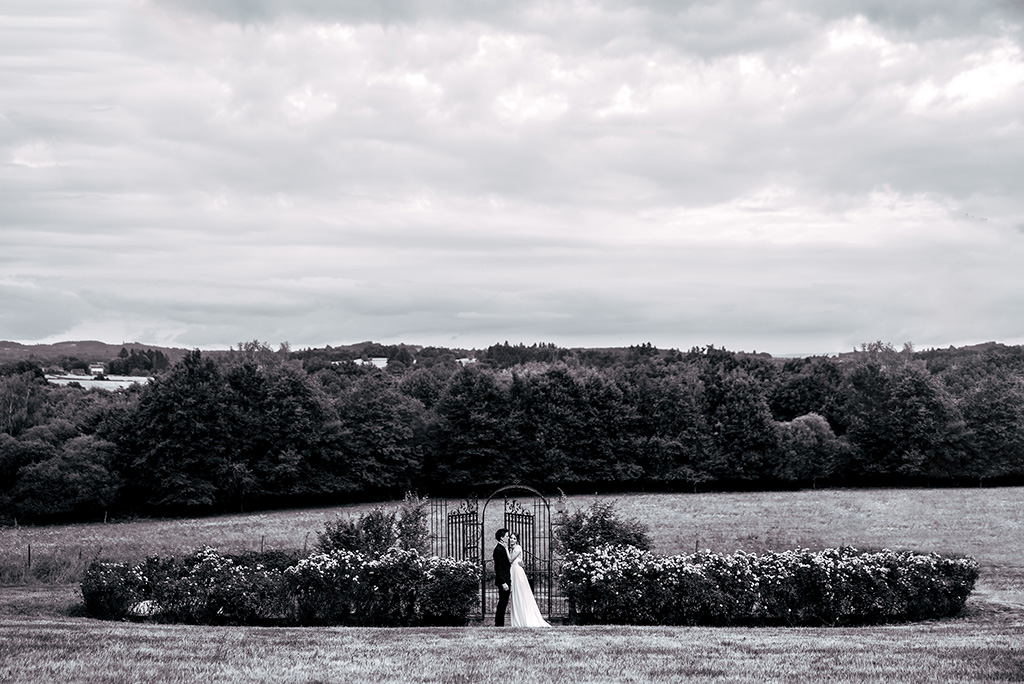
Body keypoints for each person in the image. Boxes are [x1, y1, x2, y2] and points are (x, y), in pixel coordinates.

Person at [507, 533, 550, 627]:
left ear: (517, 540)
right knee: (515, 594)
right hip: (513, 572)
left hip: (518, 573)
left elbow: (510, 560)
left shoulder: (517, 548)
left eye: (514, 538)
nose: (512, 540)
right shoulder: (512, 549)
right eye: (511, 538)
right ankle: (518, 619)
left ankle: (525, 618)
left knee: (520, 593)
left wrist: (505, 548)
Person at [493, 528, 512, 626]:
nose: (508, 538)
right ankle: (499, 624)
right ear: (501, 538)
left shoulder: (502, 548)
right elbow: (498, 568)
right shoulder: (498, 550)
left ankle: (499, 623)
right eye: (507, 536)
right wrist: (503, 582)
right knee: (502, 603)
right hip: (503, 580)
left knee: (503, 602)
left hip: (506, 579)